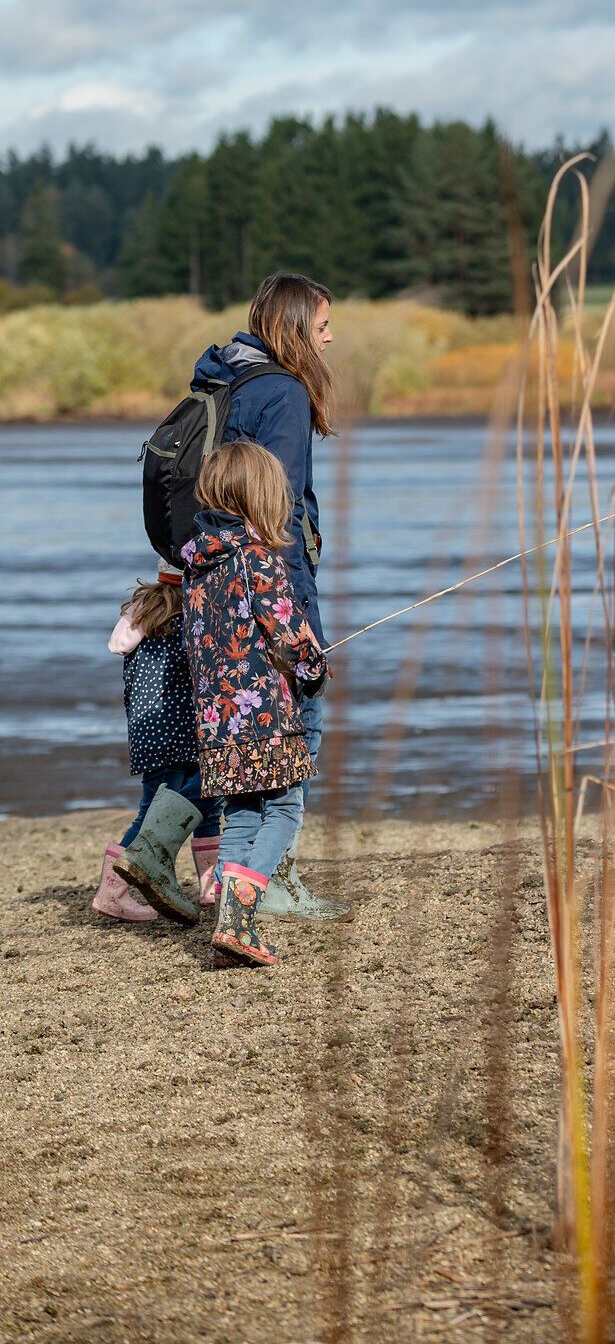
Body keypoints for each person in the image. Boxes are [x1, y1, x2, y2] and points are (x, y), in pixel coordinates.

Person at [190, 272, 347, 921]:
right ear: (294, 330)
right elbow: (274, 511)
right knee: (295, 744)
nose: (330, 338)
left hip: (218, 590)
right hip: (272, 586)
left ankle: (233, 880)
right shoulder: (282, 391)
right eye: (323, 326)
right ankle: (268, 883)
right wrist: (299, 630)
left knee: (242, 776)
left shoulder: (225, 378)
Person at [182, 440, 328, 968]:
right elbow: (289, 635)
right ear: (262, 499)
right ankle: (240, 919)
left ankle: (228, 927)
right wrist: (315, 669)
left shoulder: (198, 565)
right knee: (285, 809)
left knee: (241, 815)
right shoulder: (257, 559)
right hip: (264, 715)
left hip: (217, 723)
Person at [101, 564, 222, 925]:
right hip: (185, 731)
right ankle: (111, 893)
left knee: (155, 805)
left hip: (147, 732)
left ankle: (207, 887)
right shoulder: (190, 616)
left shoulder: (141, 616)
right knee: (202, 802)